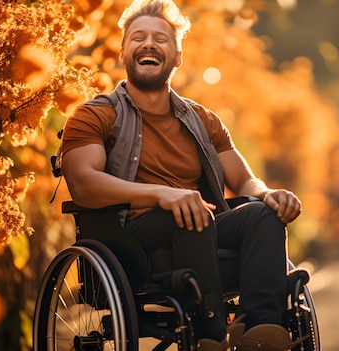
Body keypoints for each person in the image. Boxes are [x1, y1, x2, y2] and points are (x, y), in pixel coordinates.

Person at [59, 0, 303, 350]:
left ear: (177, 57)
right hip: (132, 232)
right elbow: (83, 184)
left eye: (161, 38)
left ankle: (261, 332)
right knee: (191, 214)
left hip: (199, 221)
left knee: (262, 215)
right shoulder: (95, 116)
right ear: (123, 53)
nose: (149, 44)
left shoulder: (203, 120)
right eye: (137, 37)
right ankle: (211, 336)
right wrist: (160, 194)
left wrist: (268, 194)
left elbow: (244, 180)